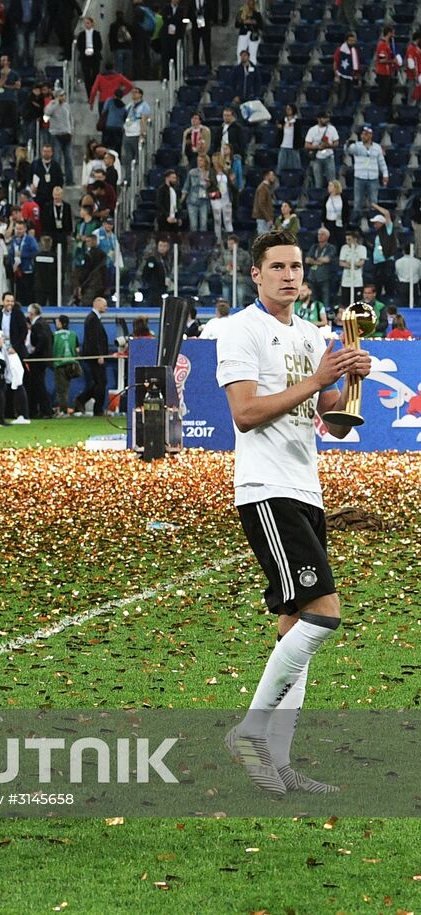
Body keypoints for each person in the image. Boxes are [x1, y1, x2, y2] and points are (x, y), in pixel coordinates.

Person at [217, 229, 369, 798]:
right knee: (324, 612)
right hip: (265, 488)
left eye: (296, 266)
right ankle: (250, 733)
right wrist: (317, 379)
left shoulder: (311, 334)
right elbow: (246, 413)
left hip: (306, 487)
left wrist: (350, 381)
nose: (289, 274)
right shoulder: (241, 329)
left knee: (294, 628)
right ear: (255, 274)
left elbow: (328, 421)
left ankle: (277, 764)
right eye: (276, 266)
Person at [73, 296, 109, 415]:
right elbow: (93, 339)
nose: (106, 307)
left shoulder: (93, 319)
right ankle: (96, 408)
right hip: (95, 357)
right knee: (100, 383)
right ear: (97, 304)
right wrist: (99, 355)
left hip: (95, 356)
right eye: (104, 304)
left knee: (98, 383)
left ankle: (83, 401)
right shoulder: (92, 319)